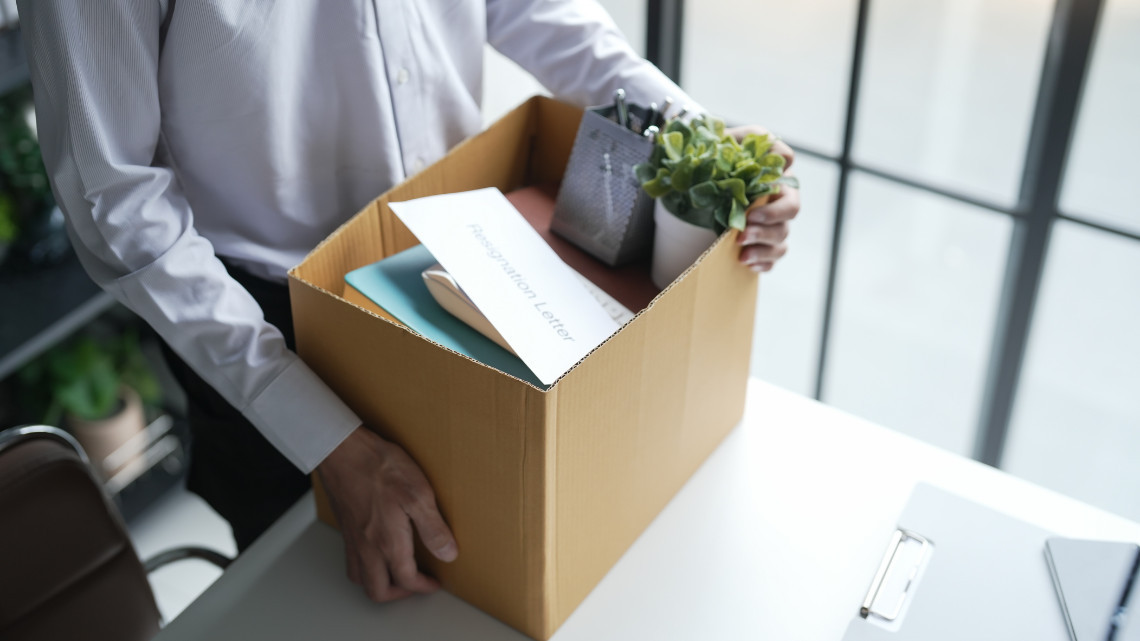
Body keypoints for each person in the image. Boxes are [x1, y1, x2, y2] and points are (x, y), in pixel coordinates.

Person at [19, 0, 800, 603]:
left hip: (470, 247)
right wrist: (326, 438)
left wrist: (705, 153)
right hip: (262, 320)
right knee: (325, 596)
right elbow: (114, 198)